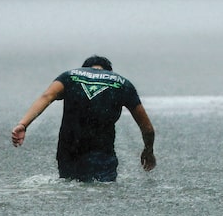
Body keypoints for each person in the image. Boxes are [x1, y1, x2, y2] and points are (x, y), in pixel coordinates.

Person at [11, 55, 156, 182]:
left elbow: (47, 96)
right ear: (109, 71)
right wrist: (148, 151)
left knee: (70, 188)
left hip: (68, 150)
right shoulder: (123, 84)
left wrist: (23, 124)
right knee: (101, 193)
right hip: (102, 154)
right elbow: (147, 128)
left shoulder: (69, 76)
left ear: (84, 68)